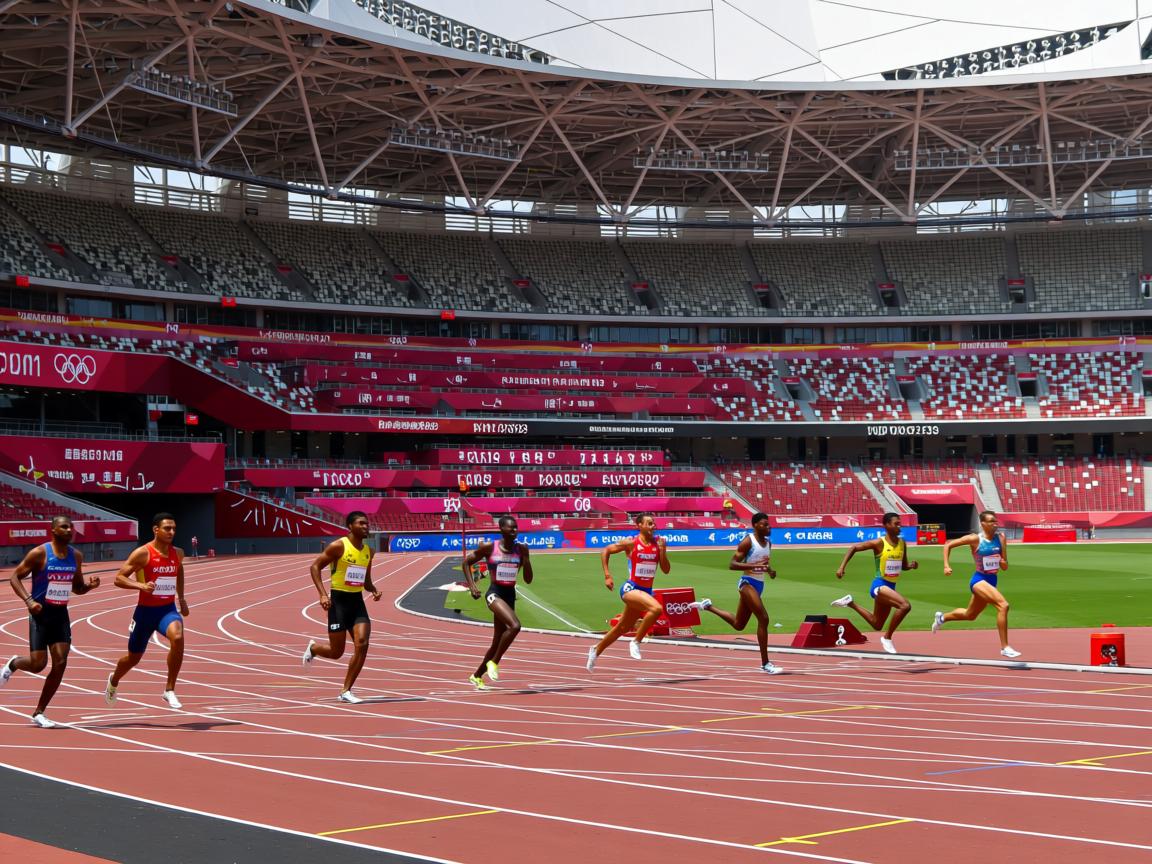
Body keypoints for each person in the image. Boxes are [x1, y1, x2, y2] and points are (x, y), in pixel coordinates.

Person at [1, 516, 100, 728]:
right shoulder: (40, 553)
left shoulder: (76, 556)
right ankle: (13, 663)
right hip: (40, 614)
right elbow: (14, 577)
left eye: (70, 527)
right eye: (64, 527)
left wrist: (89, 586)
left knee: (61, 662)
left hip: (61, 615)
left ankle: (39, 712)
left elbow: (77, 587)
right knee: (38, 665)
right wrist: (29, 601)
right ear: (53, 530)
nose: (68, 530)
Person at [105, 512, 189, 709]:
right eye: (167, 528)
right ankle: (114, 679)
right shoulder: (143, 553)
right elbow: (119, 578)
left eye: (174, 528)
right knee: (133, 658)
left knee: (177, 637)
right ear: (156, 530)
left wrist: (182, 597)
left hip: (167, 610)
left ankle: (169, 690)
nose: (171, 532)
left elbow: (179, 569)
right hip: (144, 613)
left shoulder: (178, 553)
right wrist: (140, 586)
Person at [302, 511, 381, 703]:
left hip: (357, 603)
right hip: (338, 603)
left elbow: (365, 581)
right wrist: (322, 594)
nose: (365, 527)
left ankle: (346, 691)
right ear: (350, 527)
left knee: (362, 644)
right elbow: (315, 567)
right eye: (361, 523)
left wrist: (374, 590)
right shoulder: (338, 546)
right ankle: (314, 649)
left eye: (367, 524)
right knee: (337, 652)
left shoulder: (368, 552)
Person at [689, 512, 781, 674]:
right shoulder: (748, 541)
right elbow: (732, 564)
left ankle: (708, 606)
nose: (769, 527)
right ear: (755, 526)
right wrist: (752, 567)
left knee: (739, 624)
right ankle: (765, 663)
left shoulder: (768, 543)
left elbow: (764, 564)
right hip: (747, 584)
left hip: (759, 585)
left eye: (769, 524)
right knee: (764, 618)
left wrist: (770, 571)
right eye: (765, 524)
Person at [586, 512, 669, 671]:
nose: (653, 526)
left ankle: (596, 650)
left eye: (654, 523)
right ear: (640, 526)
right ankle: (636, 641)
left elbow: (665, 570)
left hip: (645, 591)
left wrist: (663, 551)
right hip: (630, 589)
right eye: (649, 523)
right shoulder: (631, 543)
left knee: (622, 628)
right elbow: (606, 551)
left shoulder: (658, 544)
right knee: (656, 608)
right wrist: (607, 575)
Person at [935, 510, 1020, 658]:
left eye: (996, 521)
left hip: (992, 581)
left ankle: (942, 618)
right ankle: (1005, 647)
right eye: (991, 521)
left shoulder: (1001, 538)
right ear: (983, 524)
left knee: (970, 615)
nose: (995, 524)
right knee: (1003, 605)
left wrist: (1003, 562)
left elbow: (1004, 567)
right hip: (979, 580)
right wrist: (946, 566)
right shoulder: (975, 539)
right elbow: (948, 545)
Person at [462, 516, 533, 691]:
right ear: (501, 529)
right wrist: (472, 586)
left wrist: (526, 558)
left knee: (497, 642)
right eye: (511, 528)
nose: (515, 531)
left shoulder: (521, 549)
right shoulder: (489, 548)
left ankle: (477, 675)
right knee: (515, 626)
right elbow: (466, 563)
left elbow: (528, 579)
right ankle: (495, 662)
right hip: (494, 593)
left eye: (516, 527)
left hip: (509, 595)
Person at [830, 512, 917, 654]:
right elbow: (854, 548)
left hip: (891, 587)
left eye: (900, 523)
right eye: (896, 523)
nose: (899, 526)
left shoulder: (902, 544)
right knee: (905, 606)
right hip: (879, 586)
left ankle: (851, 603)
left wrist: (911, 566)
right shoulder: (879, 543)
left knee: (877, 624)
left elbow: (904, 565)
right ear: (887, 525)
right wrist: (841, 567)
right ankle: (887, 638)